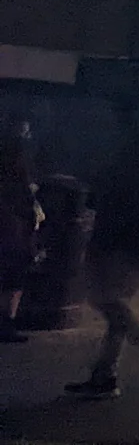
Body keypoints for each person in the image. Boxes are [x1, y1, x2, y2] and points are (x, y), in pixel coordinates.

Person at [68, 99, 139, 399]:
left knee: (104, 298)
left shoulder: (133, 149)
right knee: (111, 301)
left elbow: (118, 195)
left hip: (116, 237)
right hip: (130, 238)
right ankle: (105, 374)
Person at [0, 122, 38, 342]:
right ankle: (7, 323)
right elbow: (24, 196)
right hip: (14, 227)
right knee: (14, 278)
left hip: (9, 225)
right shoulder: (19, 162)